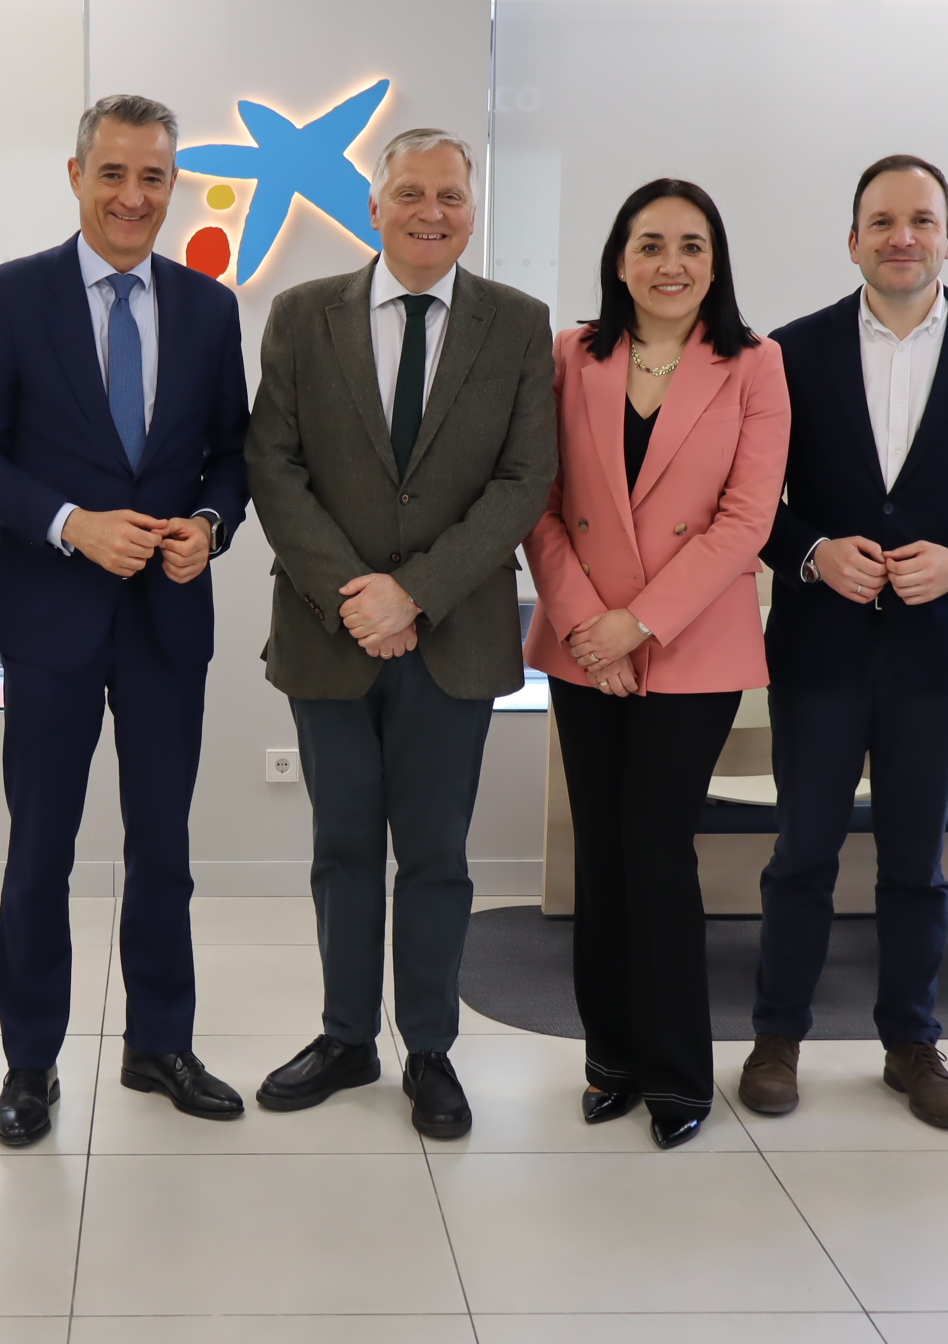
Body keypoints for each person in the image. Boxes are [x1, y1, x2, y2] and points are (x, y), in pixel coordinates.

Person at [0, 94, 251, 1147]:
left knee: (163, 846)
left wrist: (210, 523)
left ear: (175, 186)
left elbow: (232, 454)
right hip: (51, 617)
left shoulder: (210, 308)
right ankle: (29, 1063)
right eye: (114, 173)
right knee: (42, 848)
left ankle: (159, 1043)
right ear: (76, 177)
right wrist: (72, 524)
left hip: (168, 618)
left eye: (154, 177)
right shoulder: (6, 298)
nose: (133, 196)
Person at [244, 129, 555, 1140]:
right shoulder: (302, 316)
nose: (433, 212)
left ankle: (429, 1048)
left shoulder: (516, 324)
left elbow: (523, 481)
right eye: (412, 193)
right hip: (328, 634)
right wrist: (355, 594)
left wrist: (412, 595)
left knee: (434, 853)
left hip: (453, 635)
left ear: (472, 211)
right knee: (342, 848)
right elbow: (273, 467)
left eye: (452, 196)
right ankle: (345, 1037)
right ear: (374, 206)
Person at [741, 155, 948, 1129]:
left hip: (935, 655)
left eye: (921, 220)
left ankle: (911, 1043)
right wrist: (812, 553)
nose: (901, 236)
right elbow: (753, 504)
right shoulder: (788, 352)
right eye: (881, 221)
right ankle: (778, 1035)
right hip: (819, 647)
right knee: (802, 854)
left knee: (918, 863)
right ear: (853, 240)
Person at [521, 180, 788, 1149]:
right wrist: (594, 625)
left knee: (657, 851)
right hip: (582, 640)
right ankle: (612, 1060)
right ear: (620, 258)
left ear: (715, 262)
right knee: (602, 849)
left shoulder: (755, 365)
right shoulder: (571, 356)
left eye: (690, 244)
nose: (669, 262)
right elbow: (540, 505)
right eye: (649, 243)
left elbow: (745, 522)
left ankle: (679, 1073)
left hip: (692, 646)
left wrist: (640, 625)